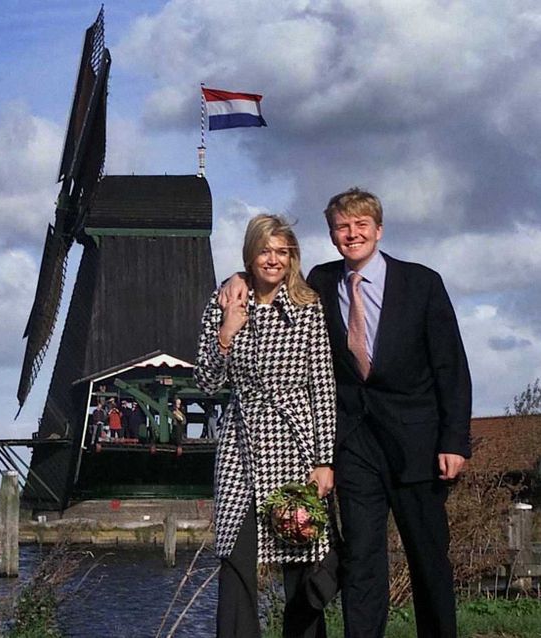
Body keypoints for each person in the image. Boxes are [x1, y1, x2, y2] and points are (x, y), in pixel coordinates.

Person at [219, 189, 471, 638]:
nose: (351, 234)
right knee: (361, 562)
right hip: (355, 446)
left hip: (417, 445)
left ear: (378, 229)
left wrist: (454, 440)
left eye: (360, 225)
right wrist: (236, 277)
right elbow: (271, 272)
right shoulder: (321, 280)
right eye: (342, 227)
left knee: (428, 560)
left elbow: (451, 366)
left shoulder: (422, 283)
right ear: (333, 234)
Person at [195, 214, 337, 638]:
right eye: (264, 251)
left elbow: (323, 389)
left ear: (291, 256)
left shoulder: (309, 309)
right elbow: (206, 381)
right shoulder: (223, 304)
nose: (272, 260)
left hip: (295, 446)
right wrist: (226, 332)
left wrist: (324, 460)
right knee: (236, 560)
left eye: (281, 251)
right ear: (250, 255)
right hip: (240, 447)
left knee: (301, 559)